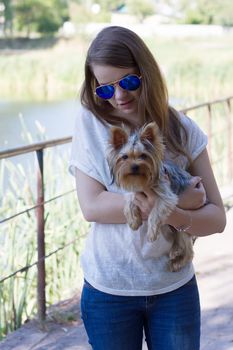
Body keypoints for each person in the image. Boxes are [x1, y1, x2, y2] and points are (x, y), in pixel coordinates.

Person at [69, 26, 226, 350]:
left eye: (128, 82)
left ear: (147, 73)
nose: (119, 96)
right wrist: (176, 201)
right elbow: (92, 207)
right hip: (108, 290)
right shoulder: (91, 124)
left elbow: (217, 218)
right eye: (105, 90)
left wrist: (175, 213)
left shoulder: (184, 130)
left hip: (174, 288)